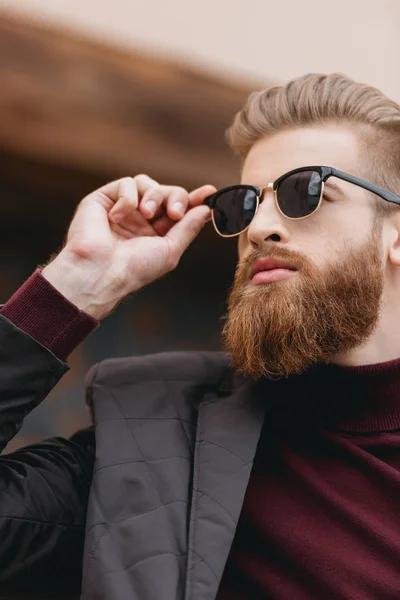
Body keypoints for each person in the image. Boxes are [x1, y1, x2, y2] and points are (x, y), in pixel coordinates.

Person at [1, 72, 400, 600]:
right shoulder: (153, 443)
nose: (258, 229)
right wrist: (75, 285)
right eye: (245, 205)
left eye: (304, 192)